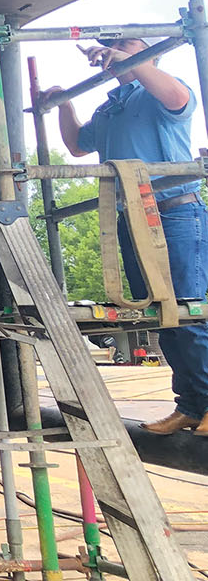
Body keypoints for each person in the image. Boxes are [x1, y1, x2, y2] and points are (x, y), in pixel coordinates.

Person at [48, 36, 208, 435]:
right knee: (160, 317)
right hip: (132, 219)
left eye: (128, 45)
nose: (115, 50)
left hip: (174, 213)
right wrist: (64, 104)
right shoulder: (109, 108)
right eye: (113, 45)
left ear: (152, 53)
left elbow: (175, 95)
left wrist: (131, 61)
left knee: (188, 311)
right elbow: (76, 144)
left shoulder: (161, 93)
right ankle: (190, 405)